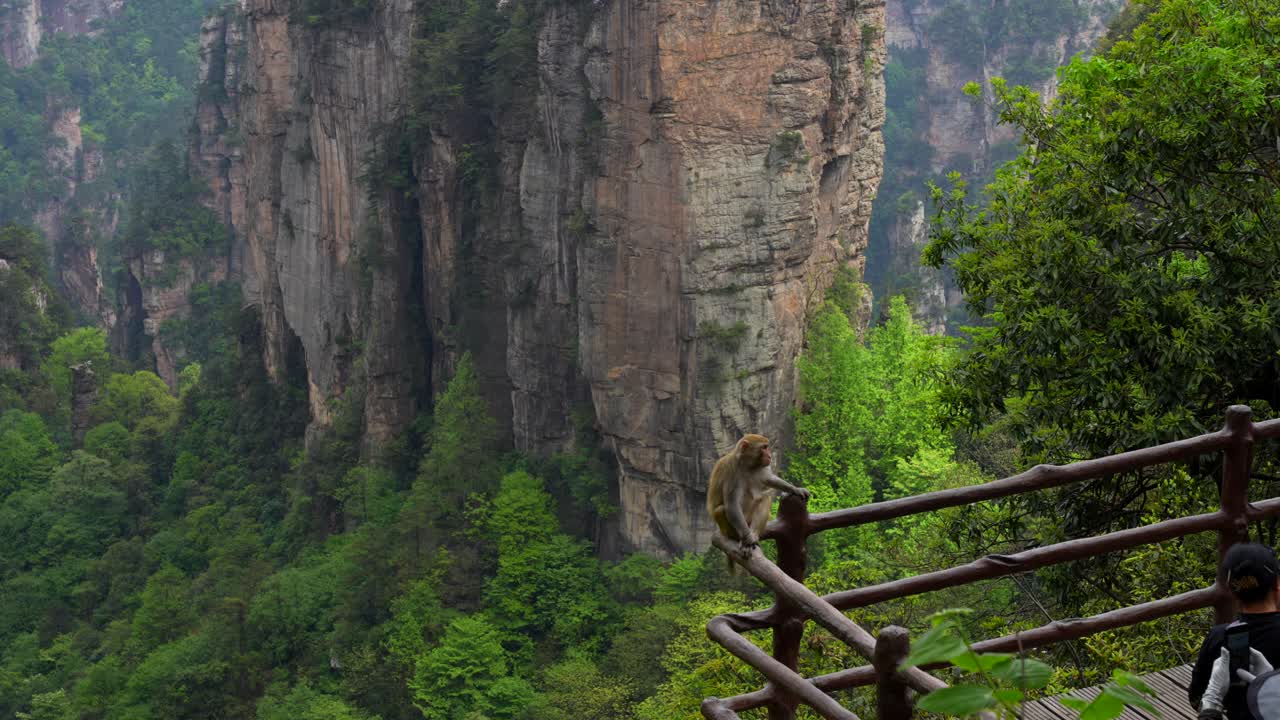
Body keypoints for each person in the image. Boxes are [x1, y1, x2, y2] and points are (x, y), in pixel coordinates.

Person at [1191, 543, 1280, 720]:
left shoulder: (1218, 636)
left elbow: (1195, 697)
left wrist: (1213, 700)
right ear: (1277, 584)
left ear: (1232, 591)